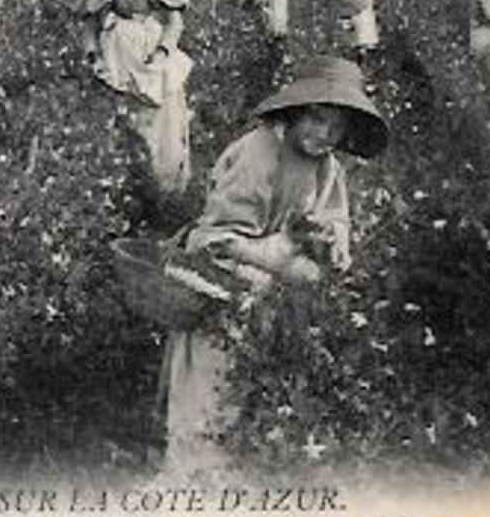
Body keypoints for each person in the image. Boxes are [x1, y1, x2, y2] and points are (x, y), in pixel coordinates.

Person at [161, 55, 387, 474]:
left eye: (337, 129)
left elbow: (335, 215)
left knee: (251, 385)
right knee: (207, 390)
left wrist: (334, 242)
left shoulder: (327, 165)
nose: (325, 136)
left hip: (269, 290)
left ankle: (241, 466)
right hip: (224, 283)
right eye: (318, 120)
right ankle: (189, 478)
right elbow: (217, 240)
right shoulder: (259, 152)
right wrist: (281, 257)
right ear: (297, 110)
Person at [79, 0, 194, 192]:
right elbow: (90, 20)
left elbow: (175, 21)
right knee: (122, 121)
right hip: (117, 48)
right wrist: (91, 52)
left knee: (160, 120)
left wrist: (163, 51)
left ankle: (163, 187)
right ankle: (124, 188)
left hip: (151, 46)